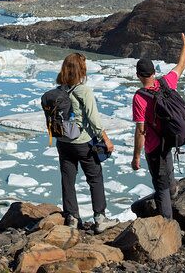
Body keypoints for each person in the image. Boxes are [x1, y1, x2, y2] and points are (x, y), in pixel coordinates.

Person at [131, 33, 185, 219]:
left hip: (154, 146)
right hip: (169, 137)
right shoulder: (166, 83)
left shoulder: (140, 97)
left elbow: (141, 131)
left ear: (138, 75)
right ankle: (174, 188)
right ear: (153, 72)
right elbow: (181, 65)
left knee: (160, 186)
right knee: (168, 166)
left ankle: (167, 225)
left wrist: (136, 156)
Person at [55, 52, 117, 233]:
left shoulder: (60, 89)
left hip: (63, 141)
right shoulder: (83, 90)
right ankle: (100, 218)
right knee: (95, 178)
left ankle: (72, 218)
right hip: (83, 142)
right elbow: (94, 119)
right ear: (80, 69)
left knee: (68, 179)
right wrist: (106, 139)